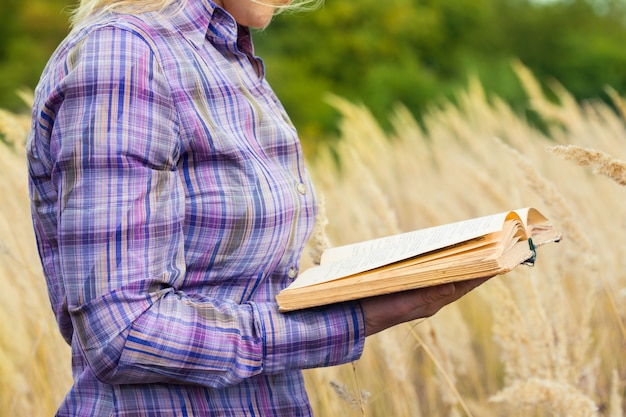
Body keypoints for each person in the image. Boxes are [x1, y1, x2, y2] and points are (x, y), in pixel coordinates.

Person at [26, 0, 489, 415]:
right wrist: (349, 320)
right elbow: (125, 334)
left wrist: (365, 284)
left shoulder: (225, 56)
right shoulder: (125, 56)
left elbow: (235, 286)